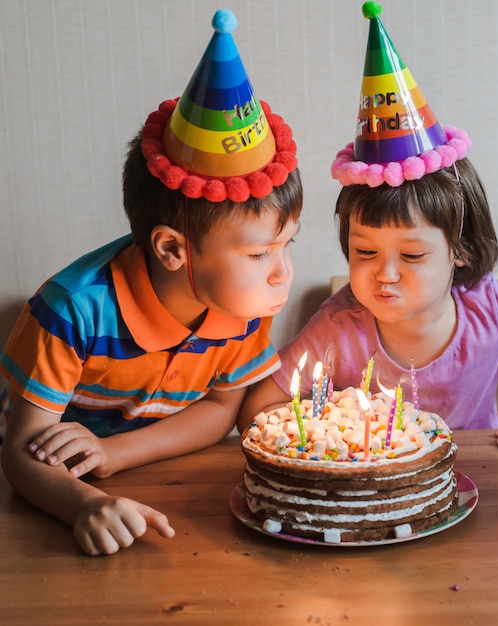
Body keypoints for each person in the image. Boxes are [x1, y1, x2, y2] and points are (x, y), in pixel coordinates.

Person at [238, 2, 498, 457]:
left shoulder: (494, 308)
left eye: (412, 256)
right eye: (365, 252)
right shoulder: (339, 328)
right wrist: (332, 434)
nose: (385, 273)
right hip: (382, 499)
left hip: (484, 481)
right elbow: (256, 411)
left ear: (459, 248)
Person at [0, 9, 302, 556]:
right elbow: (18, 453)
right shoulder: (72, 311)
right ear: (171, 249)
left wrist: (116, 455)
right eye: (260, 253)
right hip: (51, 493)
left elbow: (220, 411)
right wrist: (83, 504)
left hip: (156, 481)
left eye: (288, 246)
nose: (283, 273)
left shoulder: (245, 303)